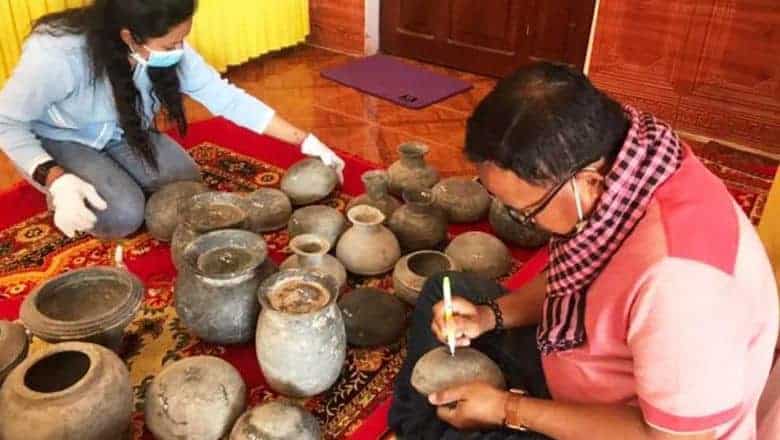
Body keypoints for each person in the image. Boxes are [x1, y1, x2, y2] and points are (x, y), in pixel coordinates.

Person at [390, 63, 779, 439]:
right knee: (442, 288)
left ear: (588, 183)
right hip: (581, 361)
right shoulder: (632, 160)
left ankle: (419, 423)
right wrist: (488, 317)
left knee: (449, 416)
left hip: (625, 425)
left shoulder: (682, 283)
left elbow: (677, 439)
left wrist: (507, 409)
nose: (526, 223)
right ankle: (423, 423)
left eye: (527, 212)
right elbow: (581, 278)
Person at [0, 0, 344, 239]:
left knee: (182, 178)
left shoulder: (165, 45)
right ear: (128, 36)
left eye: (183, 39)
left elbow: (226, 98)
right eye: (170, 44)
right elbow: (6, 122)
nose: (180, 50)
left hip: (119, 131)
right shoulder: (58, 53)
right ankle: (63, 185)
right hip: (61, 137)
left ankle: (102, 172)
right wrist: (56, 178)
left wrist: (304, 140)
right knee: (123, 214)